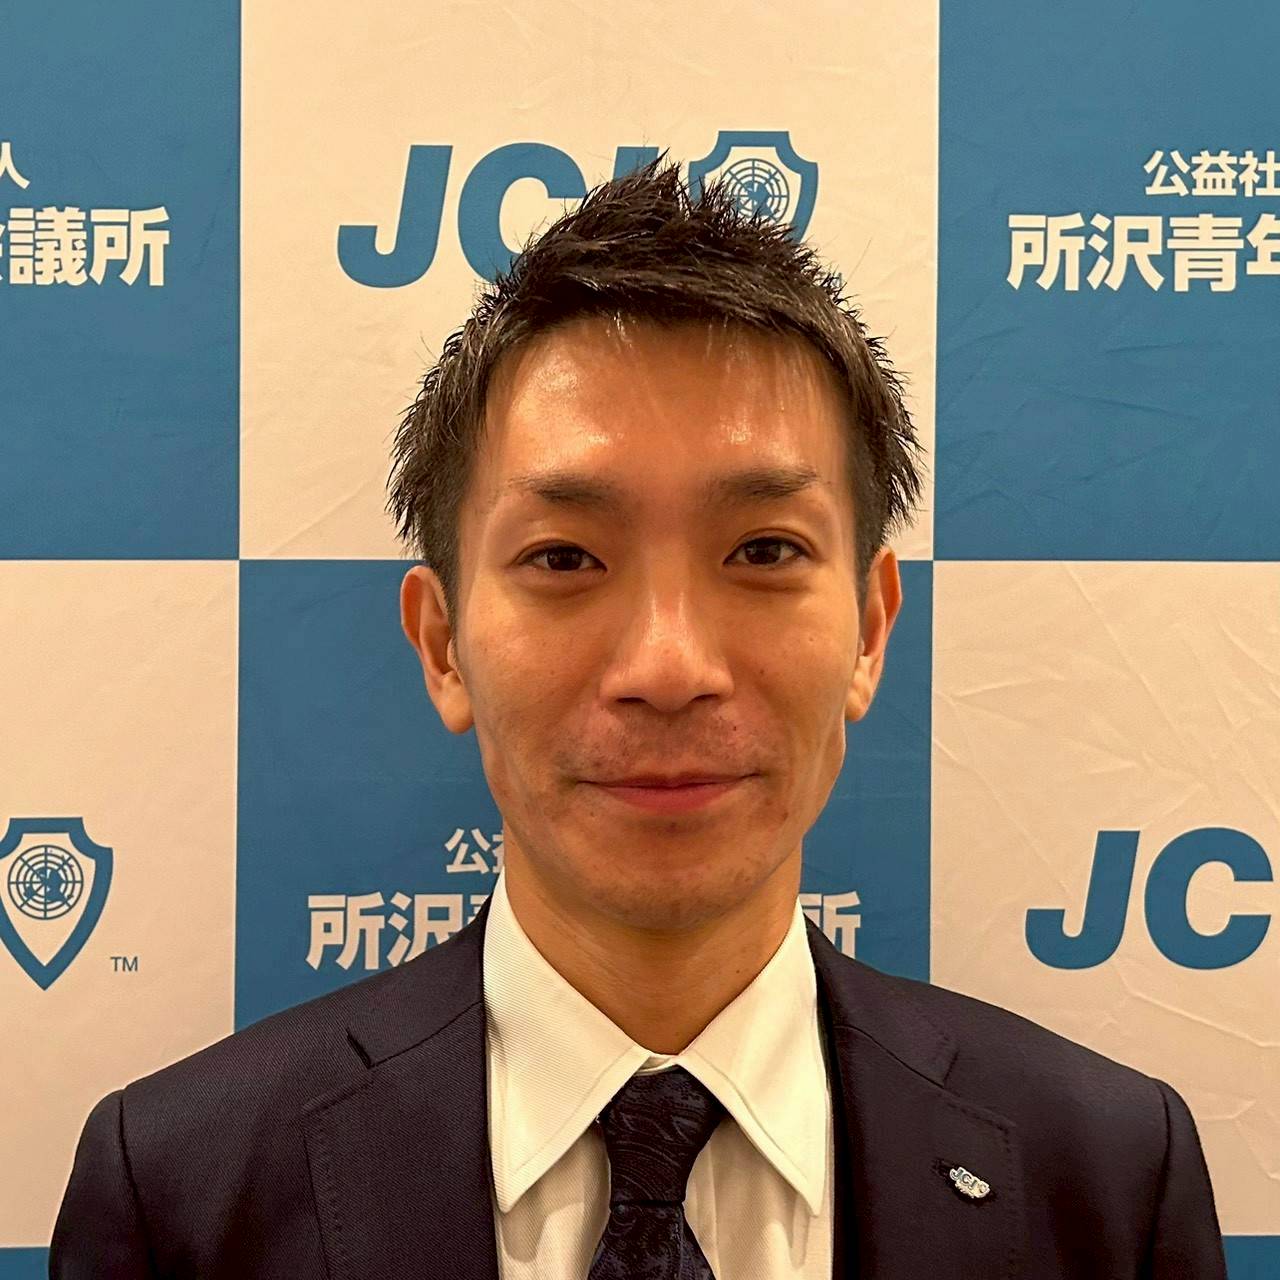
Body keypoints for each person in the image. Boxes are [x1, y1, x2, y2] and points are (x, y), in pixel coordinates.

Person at [50, 155, 1225, 1278]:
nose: (668, 667)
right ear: (442, 643)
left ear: (869, 627)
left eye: (763, 550)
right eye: (565, 557)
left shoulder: (1106, 1176)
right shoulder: (183, 1191)